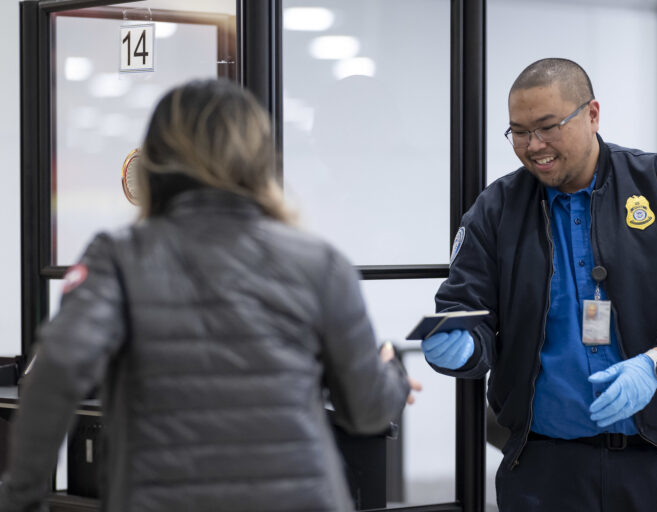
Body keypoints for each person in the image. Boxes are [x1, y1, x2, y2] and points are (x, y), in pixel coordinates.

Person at [0, 79, 417, 512]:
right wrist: (393, 375)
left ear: (155, 163)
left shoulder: (118, 258)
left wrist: (22, 498)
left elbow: (58, 369)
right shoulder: (319, 262)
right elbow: (367, 411)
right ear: (259, 162)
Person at [421, 58, 657, 511]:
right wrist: (463, 344)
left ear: (592, 114)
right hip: (543, 471)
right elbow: (467, 306)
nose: (532, 146)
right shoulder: (496, 210)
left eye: (547, 127)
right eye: (518, 132)